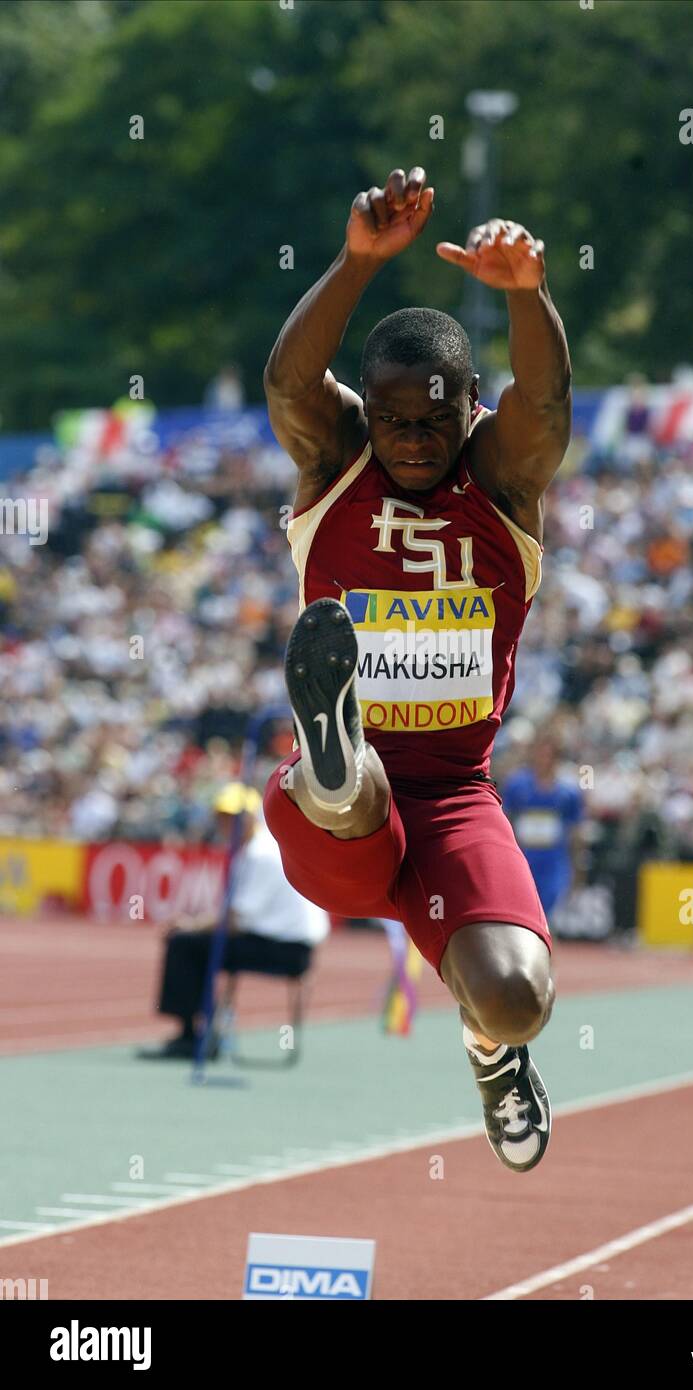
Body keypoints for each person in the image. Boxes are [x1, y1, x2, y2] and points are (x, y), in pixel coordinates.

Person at [261, 165, 571, 1171]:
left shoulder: (505, 478)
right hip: (335, 820)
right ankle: (337, 754)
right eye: (391, 416)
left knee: (519, 998)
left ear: (474, 406)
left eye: (434, 418)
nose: (408, 437)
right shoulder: (334, 457)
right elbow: (287, 383)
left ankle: (490, 1054)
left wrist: (527, 295)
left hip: (453, 802)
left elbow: (550, 395)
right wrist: (356, 263)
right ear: (366, 407)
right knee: (354, 795)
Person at [137, 782, 329, 1060]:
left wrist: (190, 925)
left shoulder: (261, 854)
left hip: (285, 949)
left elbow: (237, 919)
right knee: (192, 944)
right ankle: (205, 1030)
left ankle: (194, 1036)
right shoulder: (260, 849)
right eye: (223, 817)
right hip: (285, 944)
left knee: (184, 944)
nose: (226, 824)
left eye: (232, 818)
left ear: (250, 817)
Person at [501, 737, 584, 923]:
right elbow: (505, 819)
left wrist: (578, 863)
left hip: (554, 860)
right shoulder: (517, 784)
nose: (544, 760)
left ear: (557, 758)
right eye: (541, 754)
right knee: (523, 912)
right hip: (523, 856)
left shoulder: (569, 791)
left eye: (550, 755)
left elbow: (576, 829)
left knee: (547, 911)